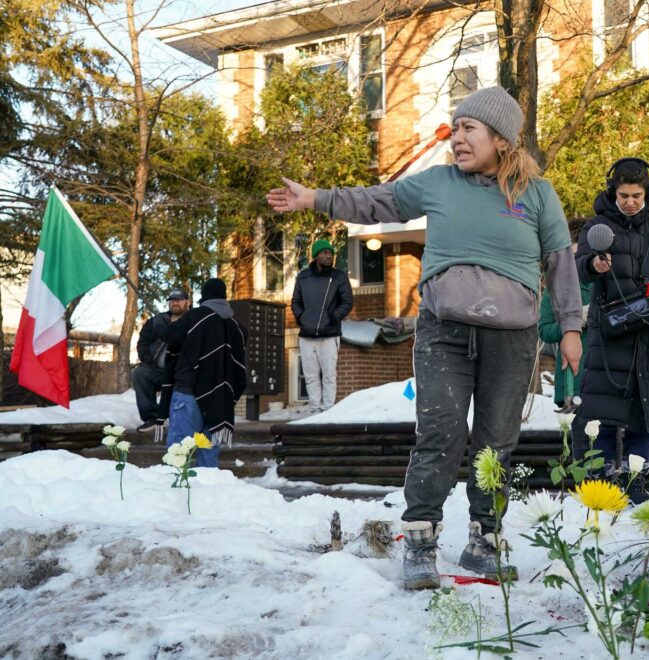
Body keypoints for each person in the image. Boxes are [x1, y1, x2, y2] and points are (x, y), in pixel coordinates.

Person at [266, 86, 583, 590]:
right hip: (444, 333)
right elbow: (379, 201)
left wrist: (570, 327)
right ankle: (419, 539)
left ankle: (484, 540)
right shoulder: (438, 182)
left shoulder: (537, 194)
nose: (456, 138)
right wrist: (315, 198)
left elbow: (562, 263)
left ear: (500, 139)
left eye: (467, 129)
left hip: (513, 338)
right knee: (440, 433)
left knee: (496, 443)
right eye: (454, 128)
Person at [575, 158, 649, 498]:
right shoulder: (597, 227)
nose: (631, 202)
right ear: (613, 193)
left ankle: (638, 479)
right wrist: (594, 264)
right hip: (611, 332)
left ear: (647, 193)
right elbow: (580, 268)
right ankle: (603, 482)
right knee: (605, 406)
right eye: (624, 195)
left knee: (646, 405)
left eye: (637, 195)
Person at [160, 278, 248, 468]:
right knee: (208, 458)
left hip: (188, 393)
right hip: (218, 401)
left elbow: (169, 336)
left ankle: (176, 496)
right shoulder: (237, 327)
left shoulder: (194, 317)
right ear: (224, 296)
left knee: (179, 454)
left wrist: (168, 323)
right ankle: (207, 496)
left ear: (204, 297)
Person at [538, 218, 590, 456]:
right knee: (579, 448)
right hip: (572, 380)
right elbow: (544, 329)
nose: (574, 265)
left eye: (580, 256)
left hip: (605, 379)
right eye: (570, 256)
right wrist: (571, 324)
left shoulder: (605, 285)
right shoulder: (554, 291)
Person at [291, 239, 353, 413]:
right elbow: (295, 302)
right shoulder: (303, 277)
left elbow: (347, 302)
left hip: (330, 334)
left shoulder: (339, 276)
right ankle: (314, 409)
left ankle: (328, 410)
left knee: (329, 376)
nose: (329, 256)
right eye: (325, 253)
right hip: (306, 335)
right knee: (310, 376)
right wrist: (302, 318)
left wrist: (333, 317)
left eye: (331, 253)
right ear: (316, 255)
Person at [133, 288, 190, 432]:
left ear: (187, 302)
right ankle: (151, 418)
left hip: (183, 372)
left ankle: (183, 418)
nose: (175, 303)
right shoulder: (156, 322)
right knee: (139, 373)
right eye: (172, 300)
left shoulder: (194, 321)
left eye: (179, 300)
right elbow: (143, 343)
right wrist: (148, 358)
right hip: (158, 371)